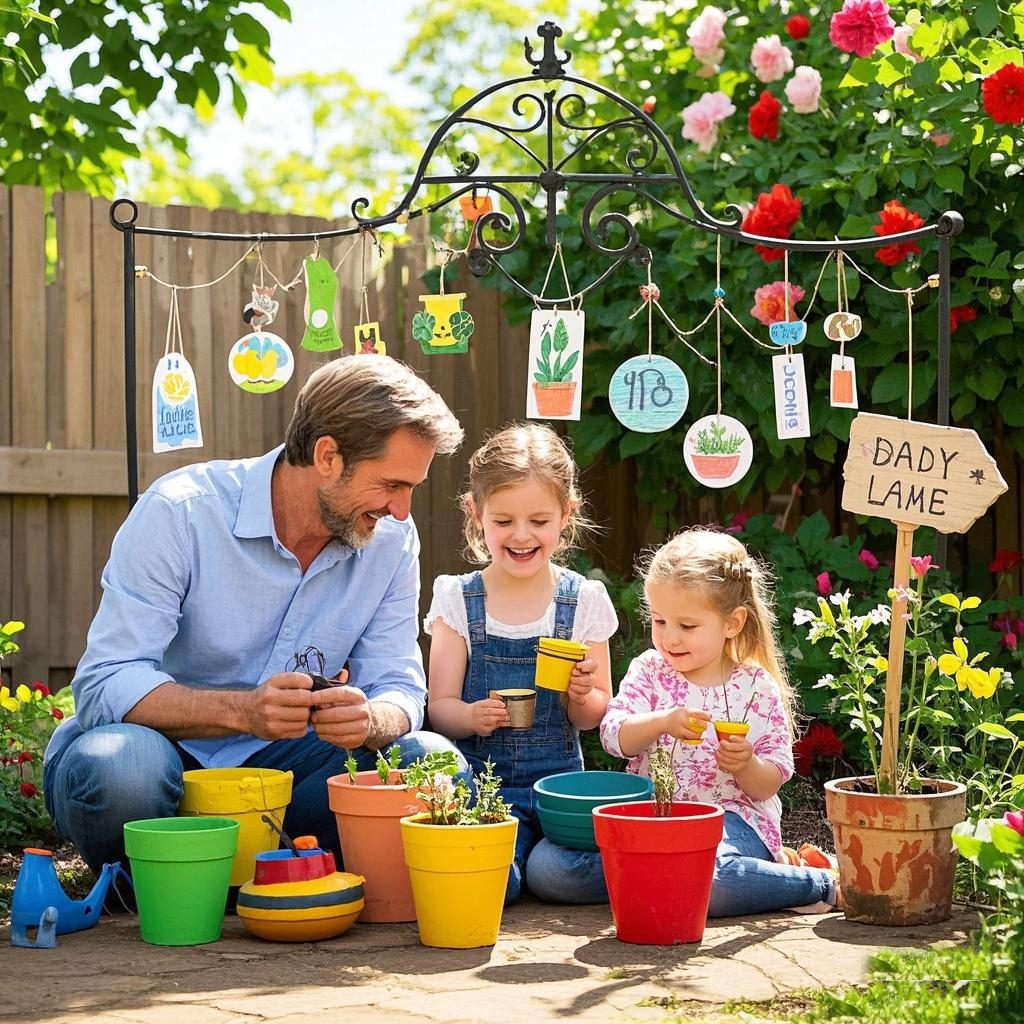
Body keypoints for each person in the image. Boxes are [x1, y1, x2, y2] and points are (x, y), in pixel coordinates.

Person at [43, 355, 468, 873]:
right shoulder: (181, 511)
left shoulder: (392, 542)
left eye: (411, 489)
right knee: (122, 769)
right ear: (328, 456)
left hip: (293, 772)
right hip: (163, 761)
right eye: (390, 485)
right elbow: (105, 681)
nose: (402, 510)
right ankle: (171, 884)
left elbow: (398, 683)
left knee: (431, 761)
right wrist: (241, 711)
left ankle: (243, 876)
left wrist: (371, 719)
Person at [600, 527, 840, 916]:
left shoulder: (754, 687)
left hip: (734, 820)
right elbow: (613, 737)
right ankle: (743, 879)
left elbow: (771, 781)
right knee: (562, 875)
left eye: (687, 626)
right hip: (657, 819)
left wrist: (745, 764)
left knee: (708, 882)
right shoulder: (650, 671)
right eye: (659, 621)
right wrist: (661, 721)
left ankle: (823, 881)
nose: (669, 638)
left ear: (732, 623)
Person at [425, 423, 617, 904]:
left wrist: (581, 695)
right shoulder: (458, 599)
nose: (521, 535)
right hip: (484, 790)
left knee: (558, 875)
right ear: (475, 512)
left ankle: (643, 863)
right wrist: (470, 717)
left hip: (561, 796)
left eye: (539, 520)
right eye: (504, 520)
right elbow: (438, 707)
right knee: (497, 883)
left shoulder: (582, 600)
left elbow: (595, 715)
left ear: (566, 514)